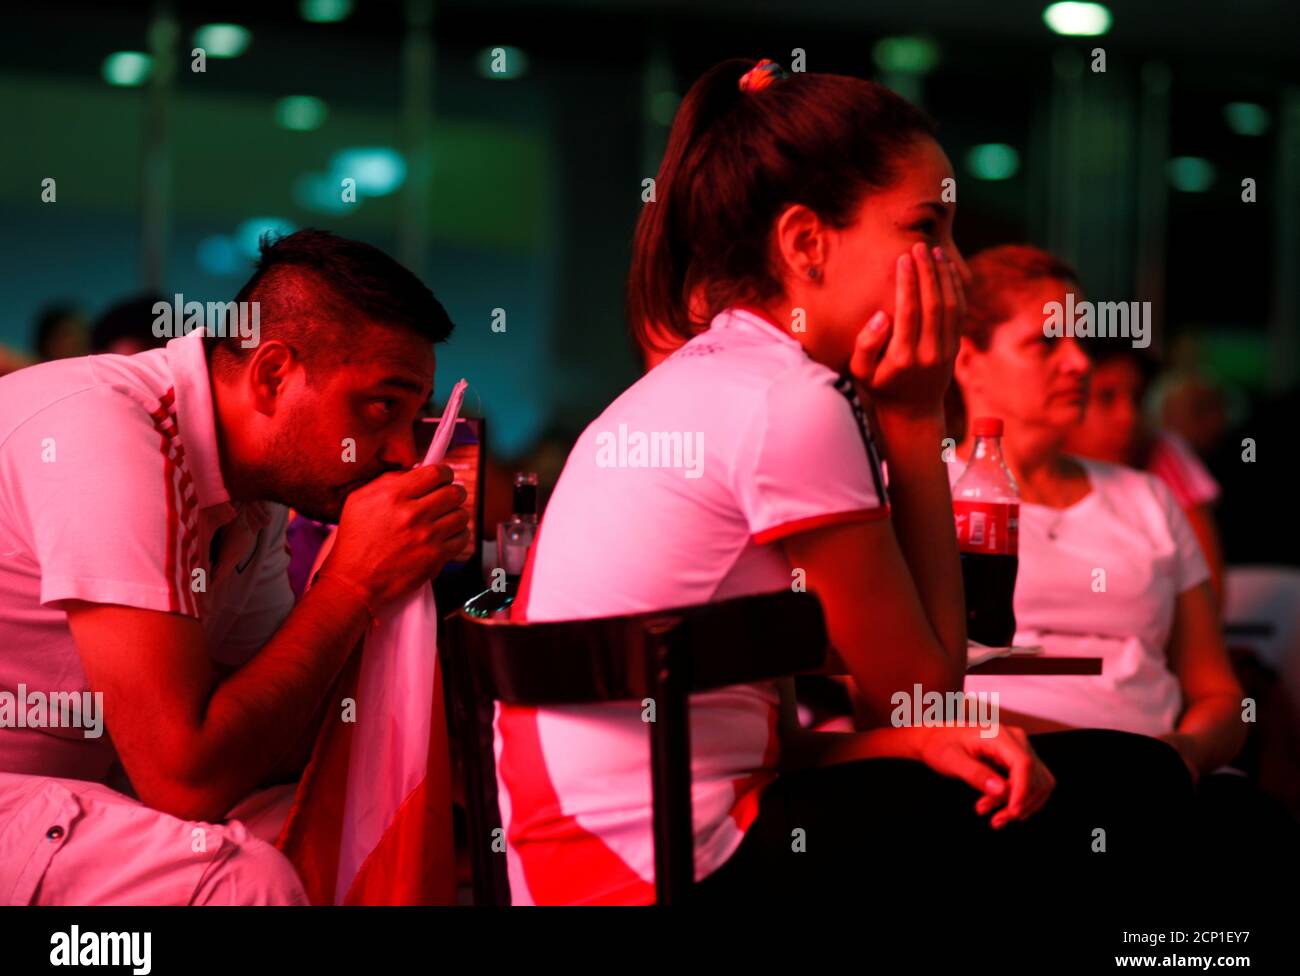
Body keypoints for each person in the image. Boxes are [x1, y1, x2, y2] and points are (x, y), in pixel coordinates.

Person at [495, 59, 1192, 906]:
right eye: (927, 228)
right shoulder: (792, 402)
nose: (955, 269)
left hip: (587, 860)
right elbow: (921, 696)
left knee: (1071, 769)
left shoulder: (708, 376)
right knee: (1136, 780)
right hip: (668, 870)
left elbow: (859, 724)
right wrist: (913, 415)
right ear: (805, 242)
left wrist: (916, 741)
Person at [0, 229, 470, 905]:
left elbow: (274, 738)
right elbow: (185, 777)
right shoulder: (107, 436)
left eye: (415, 418)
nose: (401, 452)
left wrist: (391, 582)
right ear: (273, 374)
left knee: (330, 835)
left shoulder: (251, 495)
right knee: (246, 881)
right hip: (19, 794)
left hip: (76, 794)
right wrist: (350, 584)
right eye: (380, 407)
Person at [949, 245, 1296, 861]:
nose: (1079, 363)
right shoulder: (927, 495)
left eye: (1081, 341)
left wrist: (1183, 754)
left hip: (1161, 776)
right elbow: (895, 694)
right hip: (1007, 775)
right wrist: (1105, 755)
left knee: (1256, 834)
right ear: (968, 358)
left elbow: (1218, 693)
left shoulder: (1148, 499)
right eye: (1046, 344)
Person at [1065, 336, 1225, 602]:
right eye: (1106, 397)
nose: (1128, 417)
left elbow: (1210, 596)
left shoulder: (1161, 453)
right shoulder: (1016, 470)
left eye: (1137, 398)